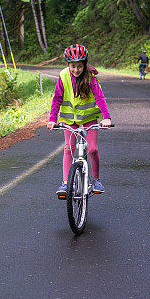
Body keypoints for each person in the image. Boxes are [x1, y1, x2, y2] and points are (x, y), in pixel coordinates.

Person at [47, 44, 112, 199]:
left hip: (89, 118)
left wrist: (106, 117)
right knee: (68, 148)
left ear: (85, 64)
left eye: (79, 66)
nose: (76, 70)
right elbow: (57, 98)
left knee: (93, 149)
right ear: (68, 65)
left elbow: (100, 98)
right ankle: (65, 183)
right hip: (70, 119)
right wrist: (52, 119)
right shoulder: (63, 76)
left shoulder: (90, 77)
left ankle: (96, 180)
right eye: (73, 66)